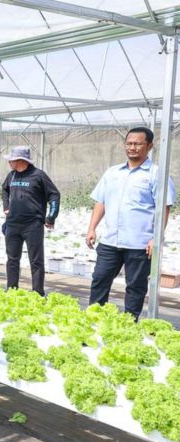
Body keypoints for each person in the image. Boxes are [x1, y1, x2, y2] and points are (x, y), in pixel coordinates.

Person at [86, 127, 176, 320]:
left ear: (149, 146)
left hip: (140, 244)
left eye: (137, 143)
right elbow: (101, 201)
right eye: (129, 143)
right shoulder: (112, 173)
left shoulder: (157, 174)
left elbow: (164, 208)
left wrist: (156, 238)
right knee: (99, 280)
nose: (132, 147)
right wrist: (92, 228)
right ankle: (94, 320)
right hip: (110, 241)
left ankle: (128, 324)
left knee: (135, 287)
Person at [1, 146, 60, 296]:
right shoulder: (11, 176)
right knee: (12, 259)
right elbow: (5, 190)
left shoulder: (38, 175)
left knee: (36, 261)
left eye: (12, 160)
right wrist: (6, 207)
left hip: (32, 225)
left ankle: (38, 293)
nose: (9, 162)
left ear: (21, 161)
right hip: (13, 224)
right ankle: (12, 290)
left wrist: (51, 217)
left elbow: (54, 195)